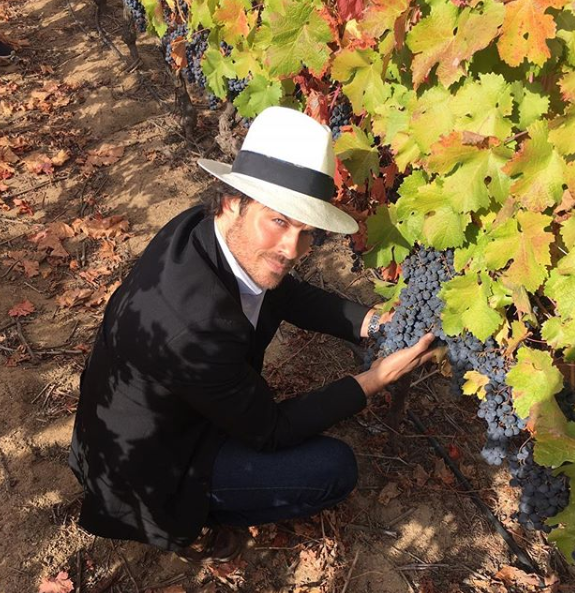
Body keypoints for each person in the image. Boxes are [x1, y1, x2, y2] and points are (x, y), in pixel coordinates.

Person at [69, 106, 436, 564]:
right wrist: (374, 380)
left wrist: (372, 323)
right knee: (333, 470)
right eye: (279, 221)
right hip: (150, 472)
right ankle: (195, 525)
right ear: (232, 201)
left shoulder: (204, 231)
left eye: (306, 232)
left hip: (159, 419)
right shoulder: (193, 327)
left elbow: (288, 295)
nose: (293, 248)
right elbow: (274, 430)